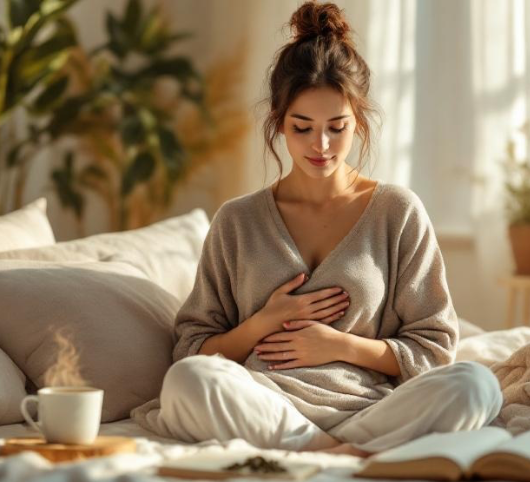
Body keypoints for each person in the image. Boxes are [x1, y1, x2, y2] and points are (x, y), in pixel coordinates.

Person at [133, 1, 502, 456]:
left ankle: (317, 450)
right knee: (187, 381)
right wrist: (263, 322)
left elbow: (435, 348)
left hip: (370, 408)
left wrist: (340, 346)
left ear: (359, 121)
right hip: (263, 402)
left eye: (337, 127)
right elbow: (192, 350)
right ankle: (339, 451)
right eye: (302, 127)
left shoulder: (396, 212)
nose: (321, 146)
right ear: (279, 125)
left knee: (475, 384)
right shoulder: (237, 220)